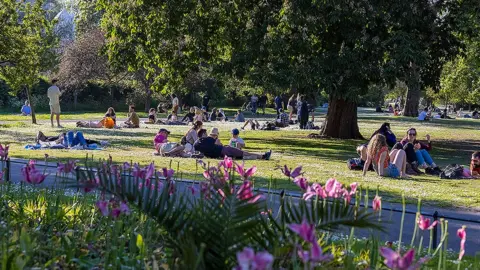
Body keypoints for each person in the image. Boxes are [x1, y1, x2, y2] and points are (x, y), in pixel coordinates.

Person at [194, 128, 272, 160]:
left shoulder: (197, 144)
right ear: (203, 134)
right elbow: (218, 143)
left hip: (221, 156)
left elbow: (200, 152)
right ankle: (263, 156)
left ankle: (262, 156)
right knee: (244, 153)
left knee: (243, 156)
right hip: (225, 150)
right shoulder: (208, 139)